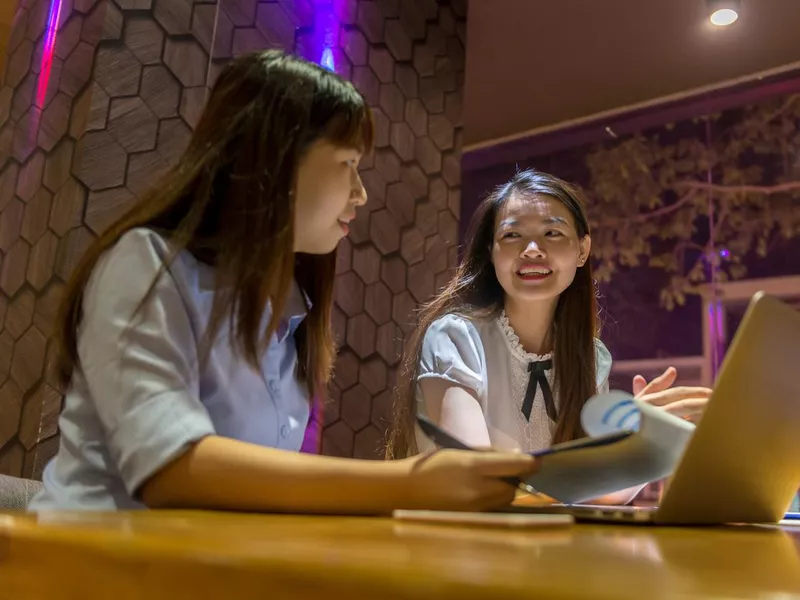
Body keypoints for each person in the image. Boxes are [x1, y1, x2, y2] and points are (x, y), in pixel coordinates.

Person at [28, 50, 538, 514]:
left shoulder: (292, 311)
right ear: (275, 159)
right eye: (348, 165)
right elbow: (170, 468)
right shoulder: (145, 265)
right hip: (87, 567)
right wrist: (410, 483)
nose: (360, 194)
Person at [385, 169, 711, 505]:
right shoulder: (455, 337)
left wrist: (650, 444)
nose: (532, 250)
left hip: (546, 549)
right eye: (512, 236)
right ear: (491, 250)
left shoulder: (589, 355)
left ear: (583, 250)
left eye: (552, 232)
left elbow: (599, 495)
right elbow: (479, 481)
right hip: (463, 548)